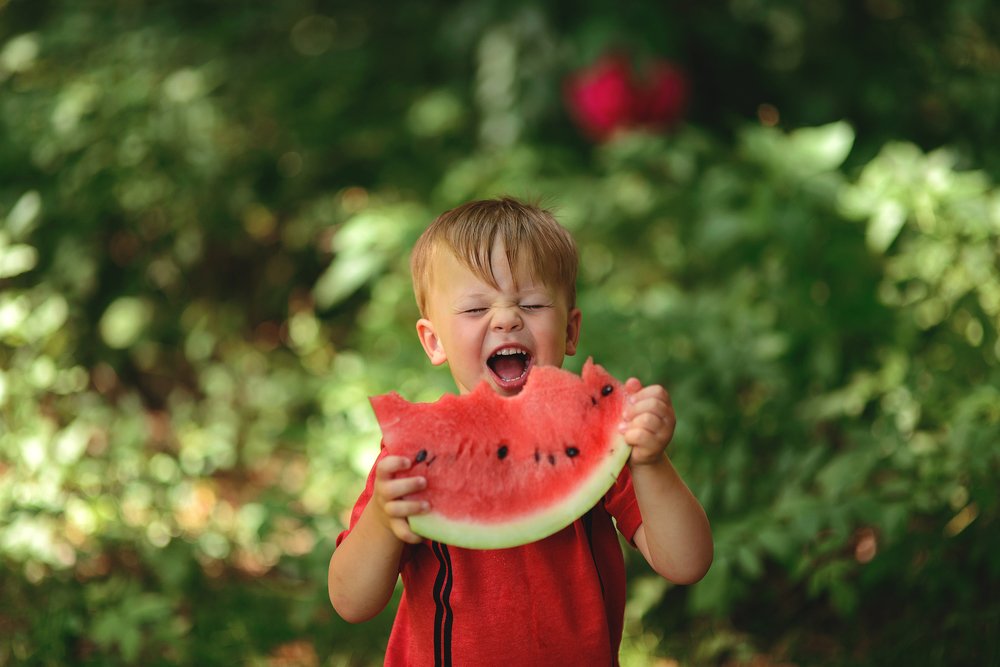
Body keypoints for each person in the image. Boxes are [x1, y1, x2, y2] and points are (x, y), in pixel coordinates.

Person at [328, 197, 712, 665]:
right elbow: (352, 602)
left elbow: (687, 563)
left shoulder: (606, 443)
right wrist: (382, 520)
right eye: (475, 309)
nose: (507, 318)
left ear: (570, 331)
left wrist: (651, 462)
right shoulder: (413, 459)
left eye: (531, 304)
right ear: (433, 340)